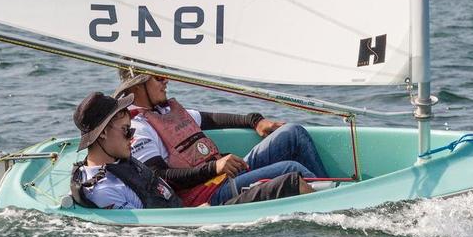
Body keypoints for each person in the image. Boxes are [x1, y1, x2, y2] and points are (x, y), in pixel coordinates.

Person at [115, 71, 329, 207]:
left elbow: (212, 119)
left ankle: (331, 191)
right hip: (205, 195)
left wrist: (256, 121)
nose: (166, 80)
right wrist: (214, 168)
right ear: (136, 86)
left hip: (222, 176)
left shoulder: (165, 111)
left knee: (292, 133)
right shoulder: (138, 128)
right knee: (289, 168)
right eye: (159, 77)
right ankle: (331, 205)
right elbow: (159, 177)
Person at [69, 91, 308, 209]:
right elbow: (140, 236)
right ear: (102, 134)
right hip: (201, 218)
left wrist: (254, 120)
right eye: (126, 132)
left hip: (194, 212)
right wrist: (196, 216)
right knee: (291, 178)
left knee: (291, 165)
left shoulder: (120, 161)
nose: (131, 139)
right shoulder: (104, 190)